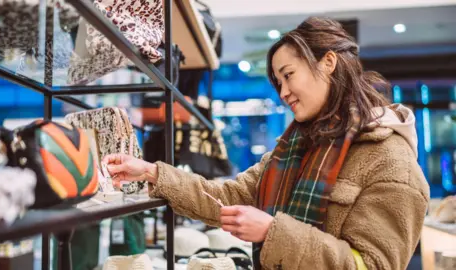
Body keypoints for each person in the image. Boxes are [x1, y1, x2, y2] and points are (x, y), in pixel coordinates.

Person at [103, 17, 429, 270]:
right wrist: (152, 173)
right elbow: (226, 197)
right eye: (278, 81)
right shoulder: (293, 148)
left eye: (289, 75)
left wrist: (274, 233)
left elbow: (374, 265)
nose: (283, 92)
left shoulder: (392, 162)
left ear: (328, 62)